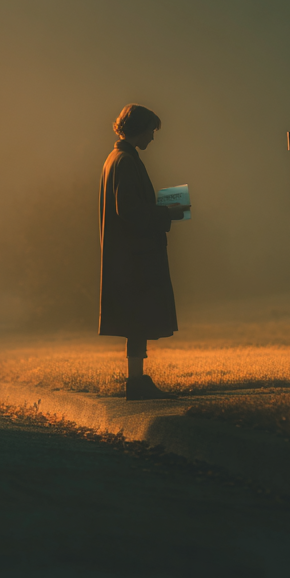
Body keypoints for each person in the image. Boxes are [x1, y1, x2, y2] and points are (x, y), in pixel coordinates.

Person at [99, 104, 188, 401]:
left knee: (136, 321)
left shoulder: (117, 158)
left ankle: (136, 379)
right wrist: (167, 212)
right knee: (138, 318)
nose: (153, 136)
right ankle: (135, 383)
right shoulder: (126, 161)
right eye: (151, 129)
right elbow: (128, 209)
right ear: (138, 128)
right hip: (135, 255)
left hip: (128, 254)